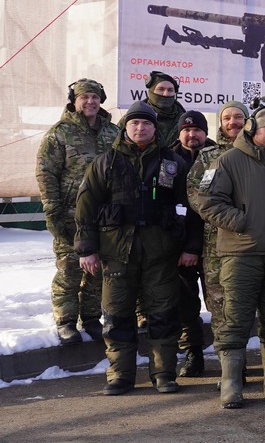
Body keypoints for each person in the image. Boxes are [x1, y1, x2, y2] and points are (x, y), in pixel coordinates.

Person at [192, 106, 265, 408]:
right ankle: (231, 382)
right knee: (235, 318)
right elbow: (207, 201)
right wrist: (243, 222)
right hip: (241, 253)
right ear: (252, 130)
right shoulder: (227, 160)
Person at [74, 102, 191, 395]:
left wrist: (189, 246)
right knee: (116, 316)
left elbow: (190, 207)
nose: (141, 128)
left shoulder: (173, 163)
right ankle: (120, 375)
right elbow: (86, 210)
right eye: (134, 123)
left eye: (147, 124)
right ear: (125, 127)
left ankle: (164, 373)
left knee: (164, 314)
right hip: (116, 254)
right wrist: (86, 249)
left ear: (155, 128)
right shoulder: (105, 162)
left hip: (161, 253)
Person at [36, 79, 118, 347]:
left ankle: (92, 317)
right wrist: (52, 208)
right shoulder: (60, 133)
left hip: (103, 214)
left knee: (98, 269)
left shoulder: (112, 132)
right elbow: (46, 173)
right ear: (74, 100)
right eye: (84, 97)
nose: (90, 102)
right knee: (70, 267)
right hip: (69, 212)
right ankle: (66, 320)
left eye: (95, 97)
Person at [186, 102, 249, 354]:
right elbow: (194, 194)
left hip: (253, 241)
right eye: (227, 118)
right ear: (220, 123)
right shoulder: (208, 157)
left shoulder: (261, 152)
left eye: (238, 117)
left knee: (251, 301)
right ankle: (230, 366)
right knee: (220, 303)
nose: (233, 122)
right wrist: (225, 216)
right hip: (217, 243)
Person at [172, 111, 214, 376]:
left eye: (197, 130)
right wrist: (185, 246)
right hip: (182, 245)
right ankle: (193, 353)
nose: (192, 134)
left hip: (214, 242)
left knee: (220, 303)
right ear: (179, 133)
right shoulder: (168, 160)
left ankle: (231, 358)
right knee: (186, 304)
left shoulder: (218, 156)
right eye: (187, 130)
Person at [143, 71, 187, 149]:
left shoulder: (185, 120)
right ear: (151, 91)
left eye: (170, 90)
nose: (165, 94)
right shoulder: (135, 117)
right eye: (161, 89)